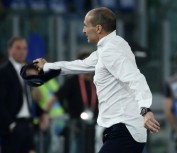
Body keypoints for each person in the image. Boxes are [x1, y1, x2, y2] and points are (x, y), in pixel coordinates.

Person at [34, 7, 160, 153]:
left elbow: (136, 79)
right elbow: (81, 65)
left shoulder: (110, 50)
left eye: (85, 25)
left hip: (125, 128)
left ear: (98, 28)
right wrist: (47, 67)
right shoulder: (110, 47)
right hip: (120, 129)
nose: (83, 30)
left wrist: (145, 110)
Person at [44, 52, 98, 153]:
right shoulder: (72, 81)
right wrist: (45, 113)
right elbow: (56, 97)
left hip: (92, 126)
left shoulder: (96, 82)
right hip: (75, 125)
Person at [0, 37, 46, 153]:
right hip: (13, 127)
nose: (22, 51)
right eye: (18, 48)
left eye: (24, 48)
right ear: (10, 50)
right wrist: (11, 125)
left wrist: (42, 113)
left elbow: (27, 99)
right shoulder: (3, 72)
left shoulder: (25, 71)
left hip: (28, 125)